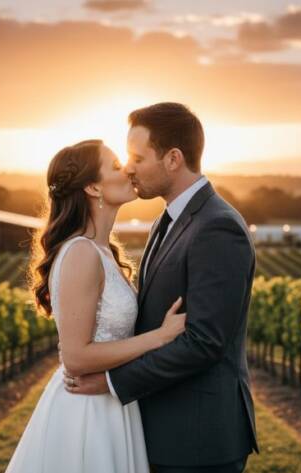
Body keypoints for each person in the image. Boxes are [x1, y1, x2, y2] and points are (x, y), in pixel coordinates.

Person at [62, 103, 260, 472]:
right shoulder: (167, 220)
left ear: (173, 159)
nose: (129, 166)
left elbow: (204, 341)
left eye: (138, 156)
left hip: (198, 438)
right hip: (161, 428)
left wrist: (113, 382)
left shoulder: (217, 227)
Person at [4, 138, 186, 473]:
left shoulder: (102, 252)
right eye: (116, 166)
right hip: (87, 413)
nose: (128, 169)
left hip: (112, 401)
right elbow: (75, 357)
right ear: (92, 187)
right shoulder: (81, 254)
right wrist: (159, 337)